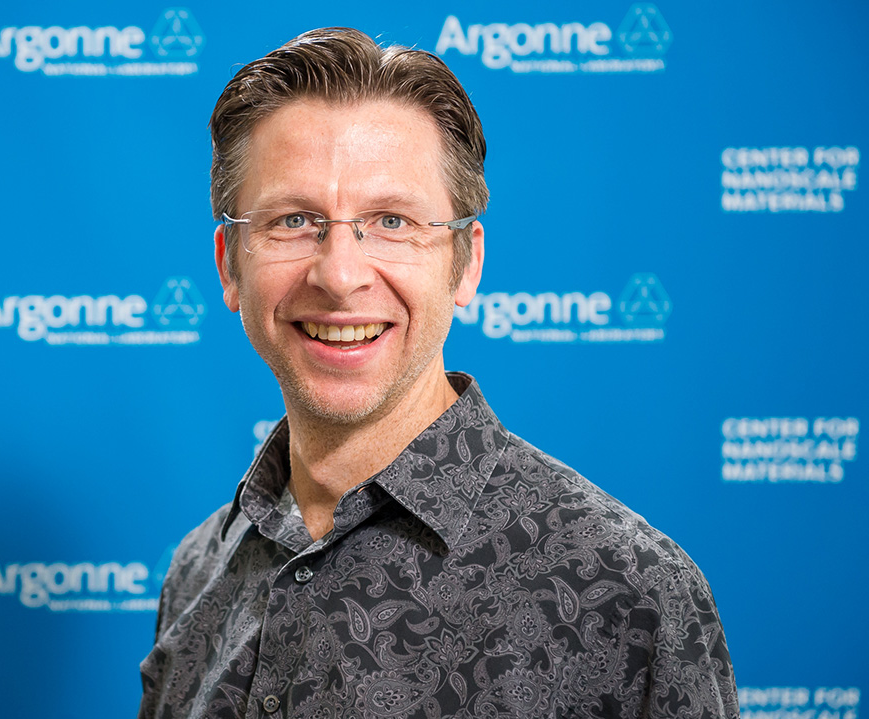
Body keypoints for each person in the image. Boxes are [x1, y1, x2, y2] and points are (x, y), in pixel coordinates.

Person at [138, 27, 737, 718]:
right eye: (295, 219)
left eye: (391, 220)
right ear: (229, 264)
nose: (339, 275)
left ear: (466, 262)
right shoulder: (196, 572)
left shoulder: (632, 592)